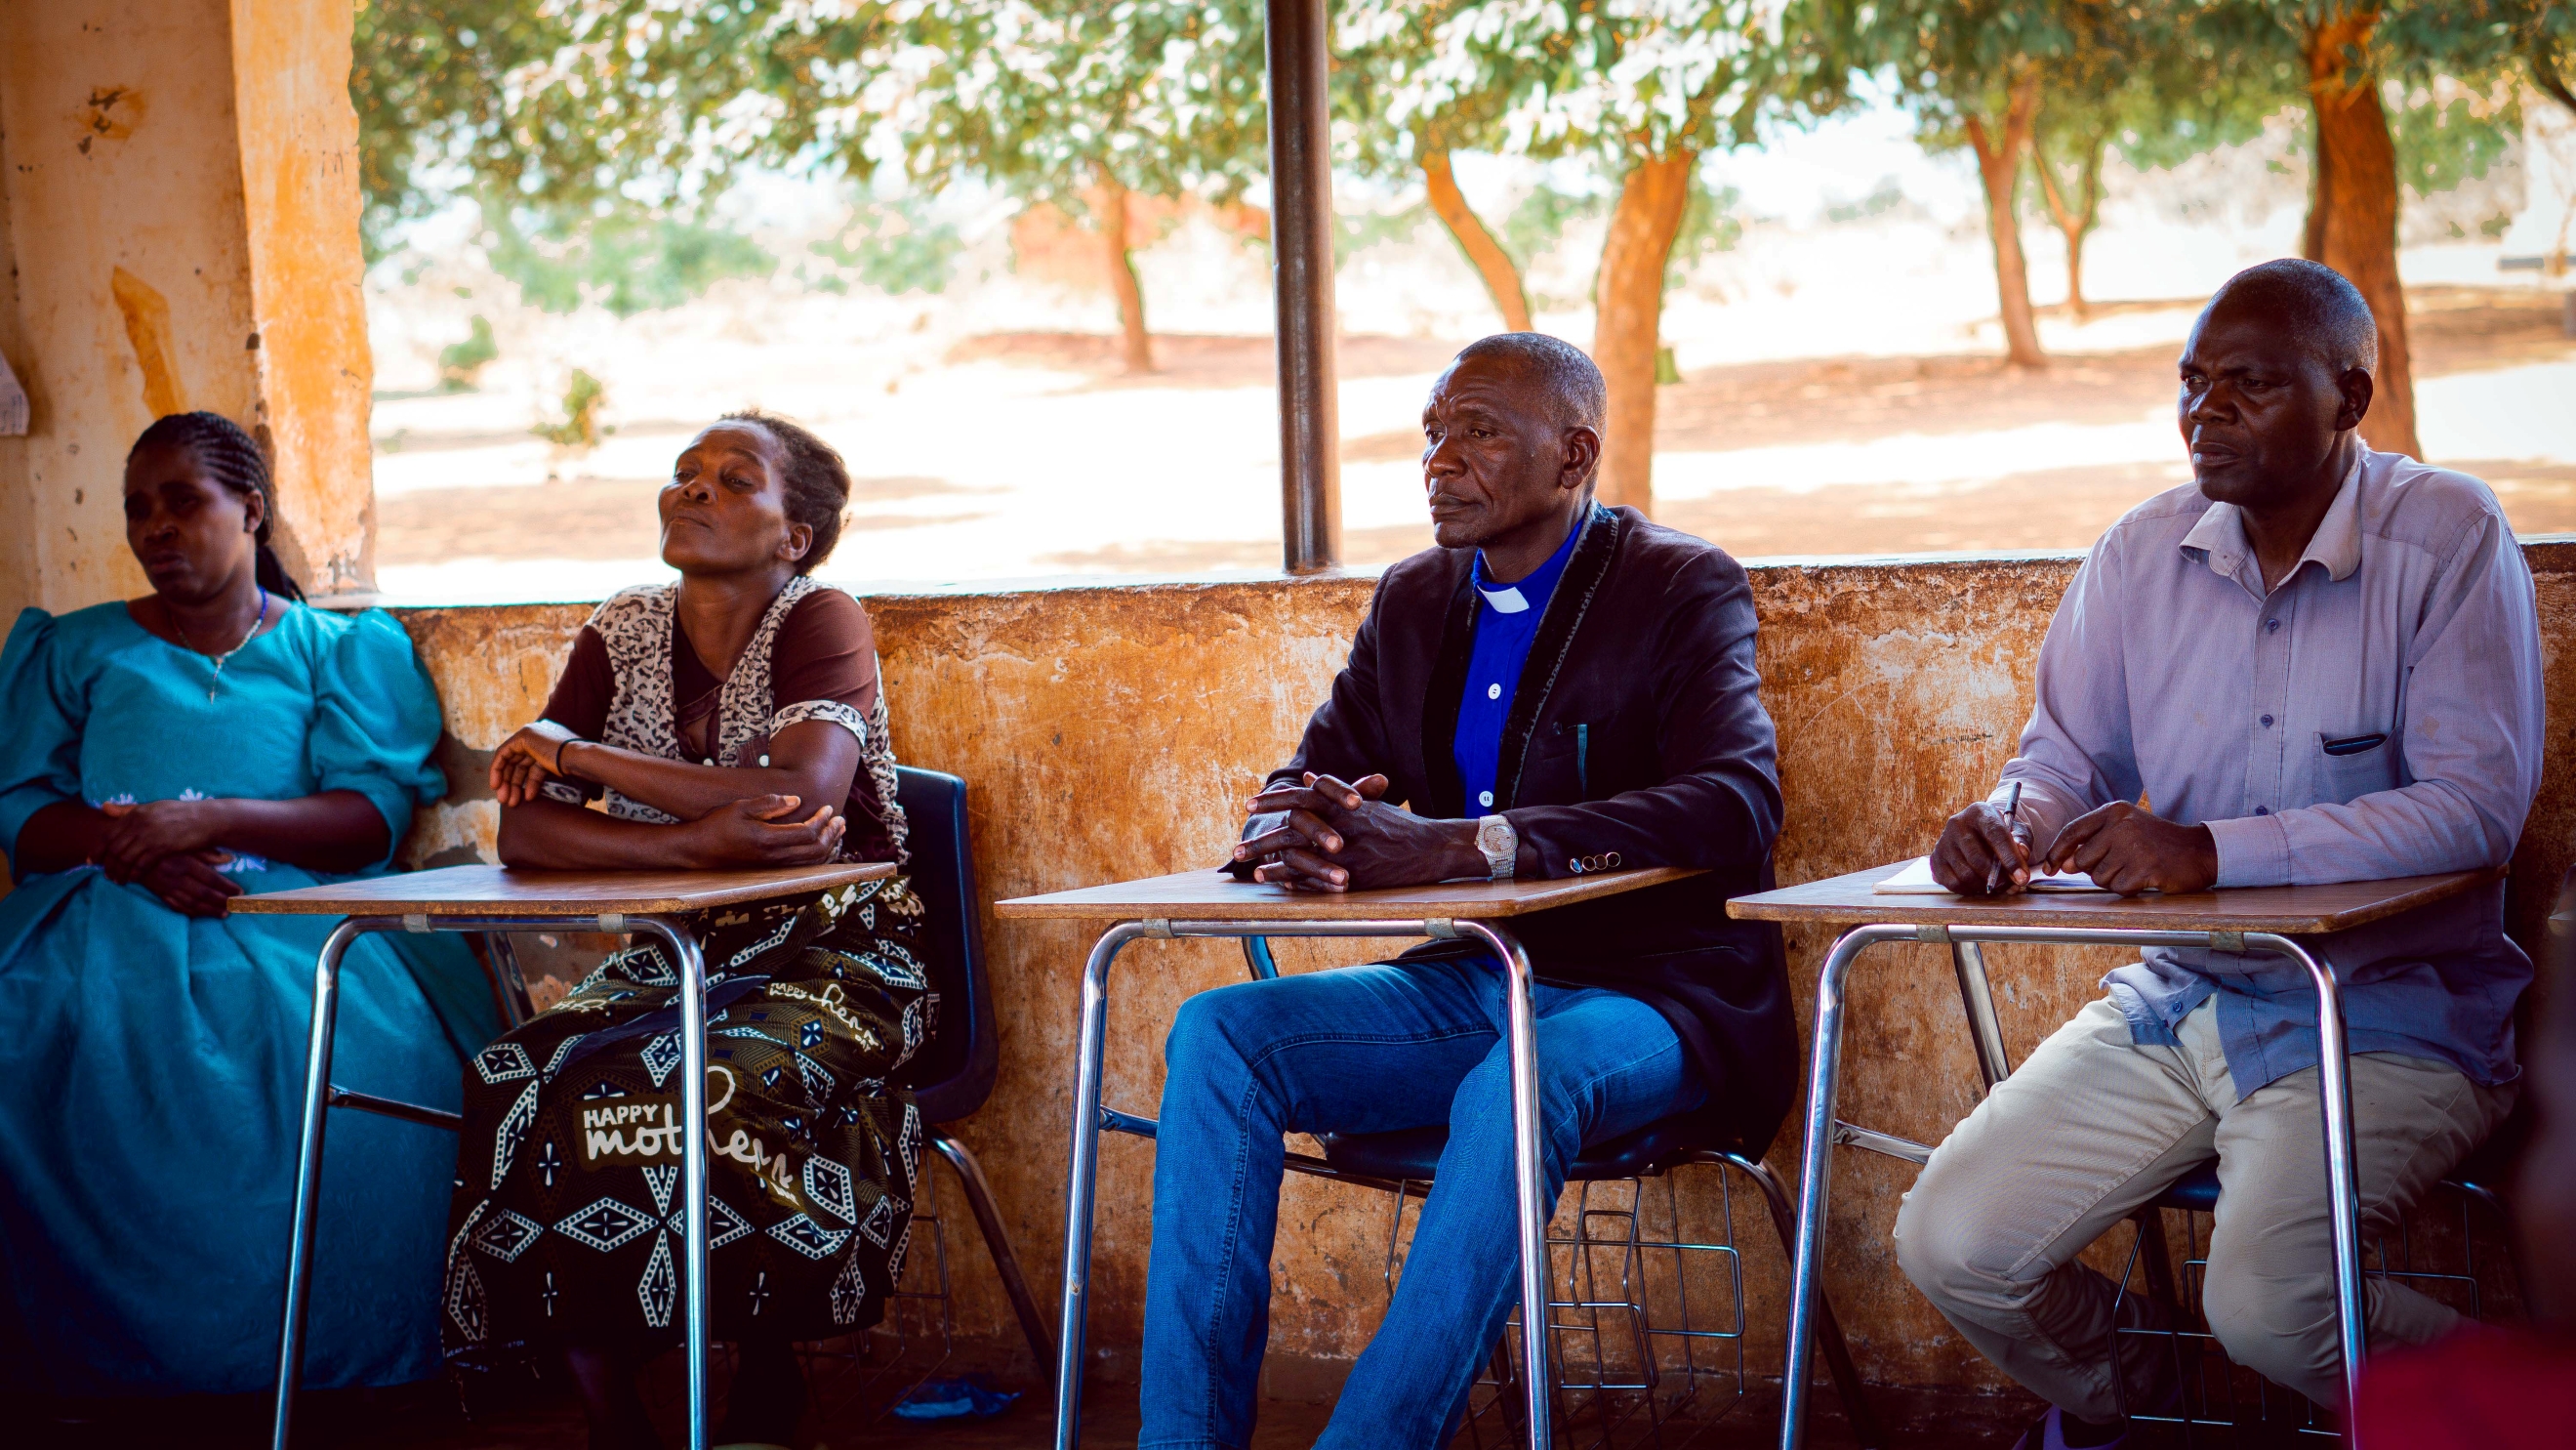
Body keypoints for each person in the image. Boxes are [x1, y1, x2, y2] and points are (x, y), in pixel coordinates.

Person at [1896, 259, 2545, 1450]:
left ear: (2348, 397)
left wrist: (2209, 851)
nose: (2206, 413)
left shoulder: (2443, 536)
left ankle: (2535, 1408)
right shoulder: (2139, 552)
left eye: (2249, 385)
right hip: (2181, 998)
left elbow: (2473, 810)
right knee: (1950, 1242)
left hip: (2387, 1014)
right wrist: (2008, 823)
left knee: (2270, 1306)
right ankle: (2152, 1400)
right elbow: (2060, 756)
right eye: (2191, 384)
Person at [1140, 333, 1792, 1448]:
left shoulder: (1676, 583)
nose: (1439, 461)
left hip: (1663, 995)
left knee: (1519, 1080)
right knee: (1220, 1035)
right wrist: (1292, 832)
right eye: (1433, 432)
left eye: (1479, 432)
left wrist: (1461, 847)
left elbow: (1735, 801)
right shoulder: (1413, 599)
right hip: (1476, 979)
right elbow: (1310, 772)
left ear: (1573, 454)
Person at [447, 411, 931, 1450]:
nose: (694, 490)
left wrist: (583, 758)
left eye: (734, 478)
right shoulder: (619, 630)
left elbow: (803, 795)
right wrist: (696, 843)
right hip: (671, 959)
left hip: (839, 953)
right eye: (683, 473)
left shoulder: (821, 618)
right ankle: (613, 1415)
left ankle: (766, 1360)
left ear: (793, 535)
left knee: (704, 1083)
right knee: (514, 1078)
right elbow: (526, 832)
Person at [0, 412, 495, 1401]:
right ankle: (88, 1358)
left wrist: (211, 818)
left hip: (286, 917)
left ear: (252, 510)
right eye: (138, 508)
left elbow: (367, 818)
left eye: (184, 501)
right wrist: (135, 851)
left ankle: (324, 1353)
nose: (156, 527)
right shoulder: (75, 646)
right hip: (101, 910)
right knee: (35, 1031)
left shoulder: (334, 648)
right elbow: (22, 813)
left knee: (368, 1049)